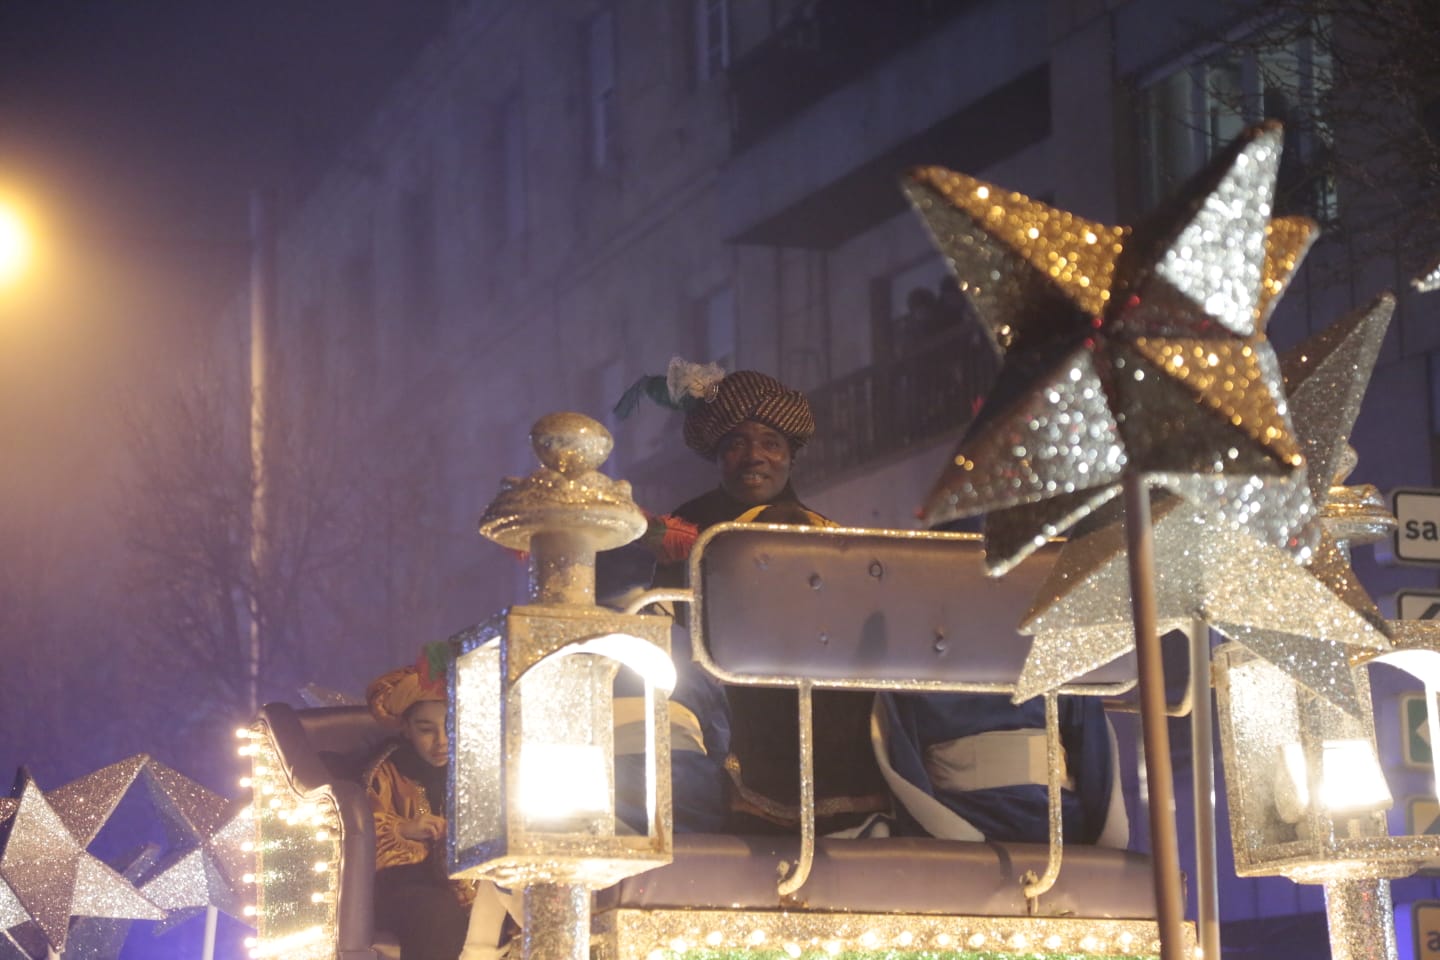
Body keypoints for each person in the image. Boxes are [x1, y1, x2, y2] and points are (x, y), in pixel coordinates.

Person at [621, 364, 885, 833]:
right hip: (720, 699)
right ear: (718, 457)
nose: (754, 457)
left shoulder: (831, 534)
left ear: (790, 456)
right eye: (736, 444)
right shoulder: (682, 531)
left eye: (771, 443)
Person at [365, 650, 517, 960]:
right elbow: (361, 834)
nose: (442, 741)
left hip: (472, 885)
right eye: (426, 730)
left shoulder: (479, 768)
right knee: (438, 912)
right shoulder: (387, 770)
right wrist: (404, 828)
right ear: (406, 728)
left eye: (451, 726)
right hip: (404, 887)